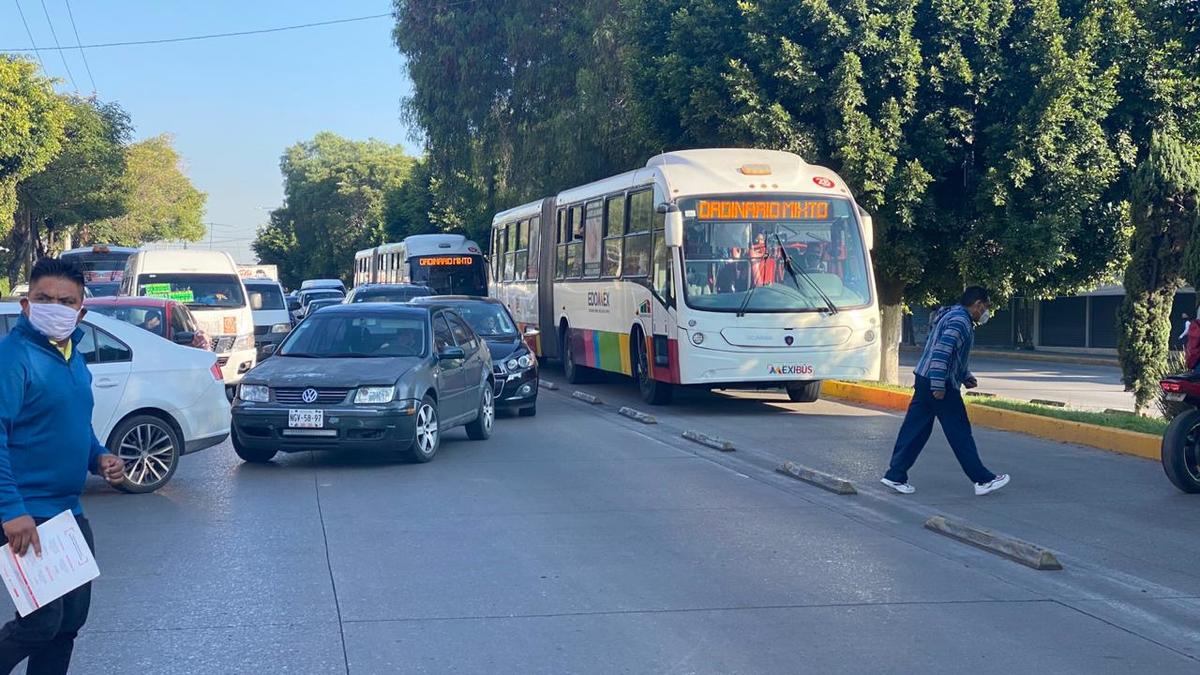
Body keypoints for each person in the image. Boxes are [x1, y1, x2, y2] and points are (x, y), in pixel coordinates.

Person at [0, 257, 125, 674]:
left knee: (69, 623)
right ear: (26, 305)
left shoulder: (72, 356)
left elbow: (75, 424)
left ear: (81, 311)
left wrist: (99, 455)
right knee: (39, 624)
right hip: (25, 511)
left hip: (67, 512)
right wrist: (11, 511)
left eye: (65, 300)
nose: (54, 305)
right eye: (43, 298)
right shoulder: (12, 358)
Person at [881, 286, 1010, 496]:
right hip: (939, 383)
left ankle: (895, 474)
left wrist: (965, 375)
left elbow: (948, 352)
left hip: (925, 378)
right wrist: (939, 386)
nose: (984, 313)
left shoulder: (950, 314)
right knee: (959, 432)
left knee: (915, 429)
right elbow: (941, 353)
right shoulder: (960, 321)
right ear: (977, 304)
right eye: (985, 308)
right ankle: (982, 479)